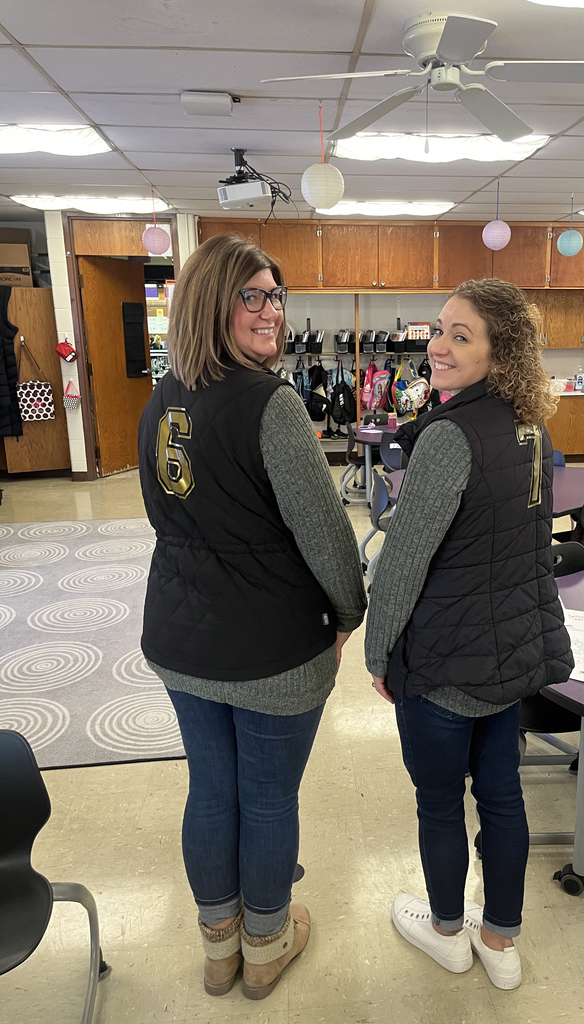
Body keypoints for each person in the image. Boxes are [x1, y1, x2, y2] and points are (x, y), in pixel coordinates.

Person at [138, 234, 366, 1001]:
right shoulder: (273, 405)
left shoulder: (163, 397)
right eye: (253, 296)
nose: (272, 311)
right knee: (265, 799)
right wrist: (347, 612)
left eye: (276, 295)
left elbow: (163, 515)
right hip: (271, 647)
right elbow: (329, 536)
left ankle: (218, 947)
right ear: (214, 302)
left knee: (210, 790)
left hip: (180, 636)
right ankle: (265, 943)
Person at [365, 278, 573, 991]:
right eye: (440, 329)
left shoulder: (450, 438)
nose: (439, 346)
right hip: (508, 653)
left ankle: (449, 932)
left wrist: (377, 651)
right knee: (503, 795)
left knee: (438, 802)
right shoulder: (529, 426)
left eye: (461, 335)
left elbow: (400, 564)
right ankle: (501, 941)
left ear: (500, 351)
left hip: (447, 663)